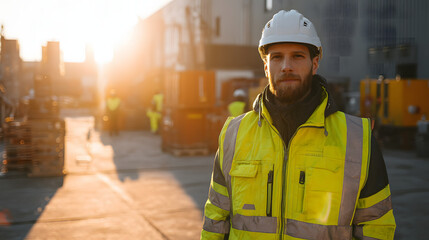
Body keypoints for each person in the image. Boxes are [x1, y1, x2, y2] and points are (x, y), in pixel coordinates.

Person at [201, 10, 395, 240]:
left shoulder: (357, 138)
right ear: (266, 67)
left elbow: (376, 226)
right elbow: (216, 220)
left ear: (315, 64)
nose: (286, 66)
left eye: (297, 56)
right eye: (276, 57)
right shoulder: (233, 134)